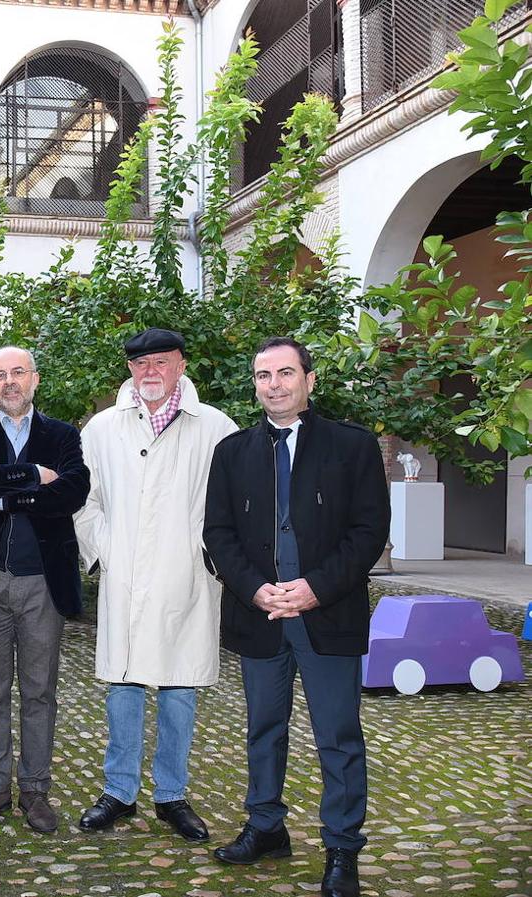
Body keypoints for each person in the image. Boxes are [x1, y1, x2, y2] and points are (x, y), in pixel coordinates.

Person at [203, 337, 389, 897]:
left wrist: (314, 589)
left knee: (338, 736)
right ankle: (265, 828)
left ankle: (342, 849)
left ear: (310, 380)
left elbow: (368, 532)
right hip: (259, 617)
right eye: (264, 375)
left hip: (327, 616)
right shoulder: (232, 452)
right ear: (255, 384)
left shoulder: (352, 447)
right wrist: (257, 589)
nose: (275, 384)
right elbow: (217, 533)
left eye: (286, 373)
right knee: (263, 730)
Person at [72, 327, 237, 841]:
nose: (150, 373)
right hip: (125, 577)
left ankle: (171, 795)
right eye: (141, 364)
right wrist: (105, 553)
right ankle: (119, 792)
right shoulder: (101, 429)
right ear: (130, 370)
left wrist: (209, 560)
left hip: (185, 576)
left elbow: (231, 505)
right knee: (123, 685)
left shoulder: (215, 427)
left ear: (181, 366)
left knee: (178, 685)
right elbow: (84, 500)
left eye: (161, 363)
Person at [0, 346, 90, 834]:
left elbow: (73, 491)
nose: (8, 382)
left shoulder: (62, 435)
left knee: (39, 691)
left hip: (42, 585)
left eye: (17, 373)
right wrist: (35, 478)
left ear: (34, 379)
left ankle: (34, 790)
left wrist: (3, 492)